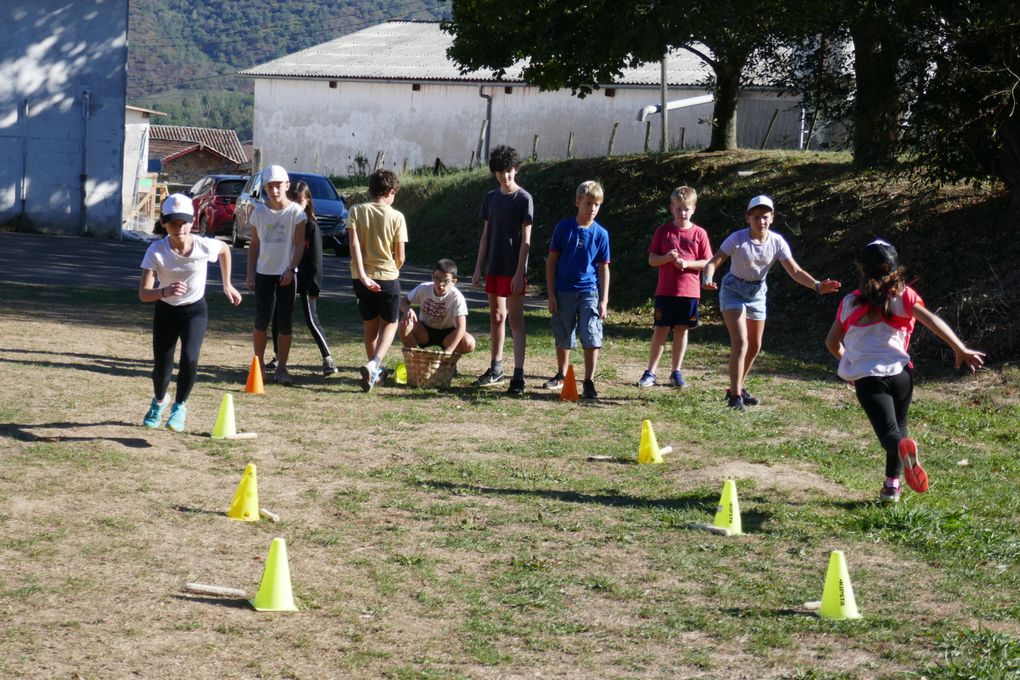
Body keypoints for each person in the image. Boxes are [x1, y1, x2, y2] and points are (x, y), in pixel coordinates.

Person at [825, 240, 985, 503]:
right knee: (900, 428)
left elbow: (832, 342)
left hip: (869, 379)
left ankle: (899, 462)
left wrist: (850, 365)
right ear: (895, 268)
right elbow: (932, 320)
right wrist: (960, 348)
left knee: (891, 436)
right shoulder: (905, 296)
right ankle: (892, 485)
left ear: (862, 270)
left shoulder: (850, 303)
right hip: (901, 376)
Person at [703, 195, 841, 410]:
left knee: (755, 346)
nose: (761, 222)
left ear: (772, 218)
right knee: (741, 342)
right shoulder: (737, 239)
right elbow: (714, 261)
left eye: (765, 217)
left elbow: (795, 271)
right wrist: (708, 279)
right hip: (733, 290)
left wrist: (816, 285)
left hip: (757, 292)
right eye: (756, 217)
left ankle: (736, 387)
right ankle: (735, 397)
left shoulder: (776, 242)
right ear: (748, 218)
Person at [139, 194, 242, 432]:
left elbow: (225, 250)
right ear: (164, 222)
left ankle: (179, 407)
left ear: (192, 221)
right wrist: (164, 291)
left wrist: (227, 284)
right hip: (166, 311)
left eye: (184, 222)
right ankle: (159, 401)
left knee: (190, 358)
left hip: (194, 310)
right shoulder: (156, 251)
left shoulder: (204, 245)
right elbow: (144, 294)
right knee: (162, 368)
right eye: (173, 222)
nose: (179, 228)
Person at [471, 145, 534, 396]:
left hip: (514, 268)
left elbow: (526, 241)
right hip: (494, 267)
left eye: (508, 171)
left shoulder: (524, 199)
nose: (504, 176)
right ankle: (496, 368)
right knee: (497, 317)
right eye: (499, 171)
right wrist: (478, 268)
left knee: (516, 320)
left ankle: (518, 375)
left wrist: (520, 272)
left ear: (515, 169)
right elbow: (485, 236)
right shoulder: (490, 198)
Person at [637, 186, 713, 389]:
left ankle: (676, 372)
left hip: (689, 292)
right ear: (671, 208)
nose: (683, 213)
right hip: (665, 290)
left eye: (686, 209)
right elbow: (652, 260)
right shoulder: (663, 231)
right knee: (660, 329)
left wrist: (687, 264)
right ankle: (650, 372)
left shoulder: (700, 233)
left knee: (682, 330)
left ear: (694, 209)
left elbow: (707, 261)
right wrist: (667, 258)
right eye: (679, 209)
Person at [543, 180, 611, 400]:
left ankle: (589, 381)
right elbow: (551, 262)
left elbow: (603, 268)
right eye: (588, 203)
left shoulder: (601, 234)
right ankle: (562, 374)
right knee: (563, 333)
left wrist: (604, 300)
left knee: (591, 333)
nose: (592, 209)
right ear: (578, 202)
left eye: (597, 205)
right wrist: (551, 294)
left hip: (589, 291)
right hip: (564, 290)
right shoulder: (563, 229)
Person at [265, 180, 339, 377]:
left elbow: (316, 259)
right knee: (277, 319)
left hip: (305, 281)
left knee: (311, 320)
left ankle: (328, 358)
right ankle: (277, 356)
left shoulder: (312, 226)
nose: (297, 205)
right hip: (285, 277)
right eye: (293, 201)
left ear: (307, 201)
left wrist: (315, 286)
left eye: (300, 201)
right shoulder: (286, 222)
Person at [244, 165, 306, 386]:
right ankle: (258, 365)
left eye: (278, 185)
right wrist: (250, 272)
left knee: (285, 322)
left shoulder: (296, 213)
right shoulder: (259, 212)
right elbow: (255, 244)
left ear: (286, 185)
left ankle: (282, 368)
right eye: (270, 186)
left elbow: (299, 244)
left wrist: (291, 268)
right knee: (261, 321)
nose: (274, 190)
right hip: (263, 274)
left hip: (286, 274)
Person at [347, 169, 408, 392]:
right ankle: (375, 364)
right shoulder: (397, 216)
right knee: (390, 323)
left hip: (360, 278)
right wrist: (395, 268)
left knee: (370, 324)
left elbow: (353, 246)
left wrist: (362, 274)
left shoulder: (356, 210)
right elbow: (400, 255)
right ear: (391, 191)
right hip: (387, 277)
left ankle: (374, 374)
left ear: (370, 190)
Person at [399, 259, 476, 355]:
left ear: (454, 281)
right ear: (432, 277)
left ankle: (450, 363)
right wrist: (407, 309)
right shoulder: (424, 288)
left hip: (448, 333)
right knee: (404, 324)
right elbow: (403, 301)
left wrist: (449, 351)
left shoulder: (457, 297)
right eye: (437, 279)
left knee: (469, 343)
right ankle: (413, 359)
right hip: (424, 330)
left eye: (446, 281)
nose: (440, 284)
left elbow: (461, 327)